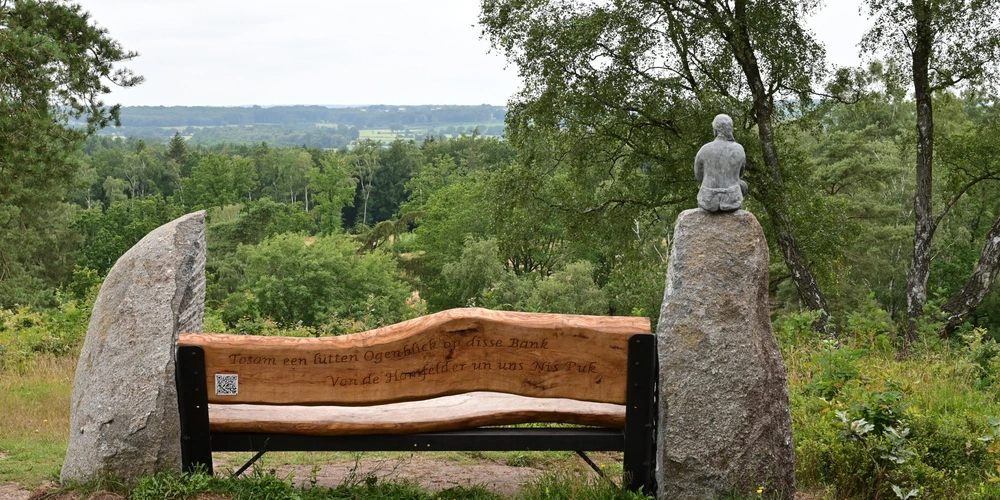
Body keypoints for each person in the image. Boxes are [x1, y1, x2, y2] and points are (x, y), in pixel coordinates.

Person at [694, 114, 748, 212]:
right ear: (731, 129)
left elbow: (698, 175)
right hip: (732, 199)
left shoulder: (704, 149)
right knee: (743, 185)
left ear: (715, 130)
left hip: (707, 199)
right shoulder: (739, 149)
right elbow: (740, 174)